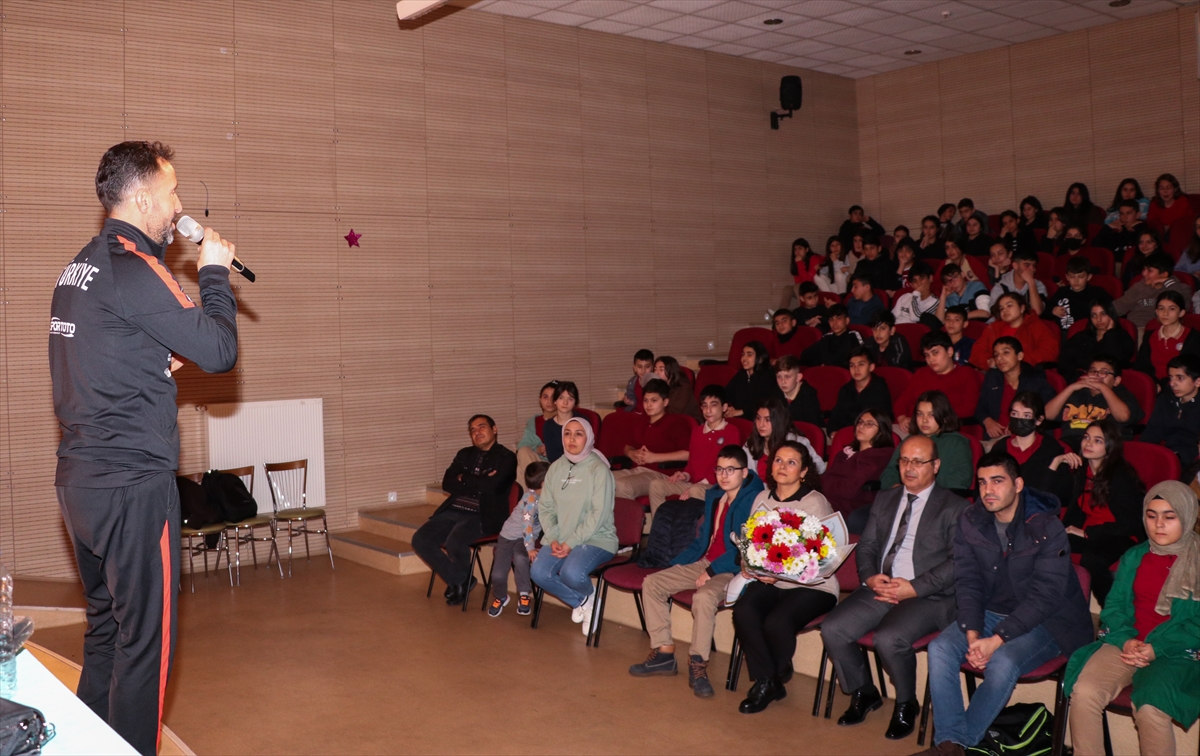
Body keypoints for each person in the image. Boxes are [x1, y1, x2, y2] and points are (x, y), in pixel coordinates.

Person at [49, 140, 239, 756]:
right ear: (142, 196)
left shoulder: (81, 265)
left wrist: (152, 358)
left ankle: (89, 745)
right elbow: (218, 351)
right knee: (145, 646)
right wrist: (212, 271)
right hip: (133, 485)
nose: (178, 203)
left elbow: (104, 353)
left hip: (83, 482)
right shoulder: (137, 266)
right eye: (172, 190)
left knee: (107, 629)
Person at [919, 452, 1092, 756]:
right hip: (991, 612)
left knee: (1002, 661)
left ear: (1018, 484)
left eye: (998, 481)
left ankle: (956, 746)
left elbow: (1045, 597)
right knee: (940, 648)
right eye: (983, 482)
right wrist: (973, 634)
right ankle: (951, 744)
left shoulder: (1046, 528)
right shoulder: (971, 521)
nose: (988, 490)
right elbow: (968, 582)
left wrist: (996, 640)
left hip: (1048, 621)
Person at [822, 435, 968, 740]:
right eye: (904, 460)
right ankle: (864, 691)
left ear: (936, 465)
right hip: (882, 585)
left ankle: (906, 703)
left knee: (889, 638)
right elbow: (868, 546)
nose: (910, 467)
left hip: (929, 595)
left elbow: (958, 564)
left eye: (919, 461)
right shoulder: (886, 499)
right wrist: (871, 576)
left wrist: (913, 587)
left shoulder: (955, 507)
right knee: (833, 628)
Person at [1065, 481, 1200, 756]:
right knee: (1084, 692)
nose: (1158, 524)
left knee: (1151, 708)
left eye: (1169, 516)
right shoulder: (1135, 556)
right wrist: (1126, 640)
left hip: (1175, 650)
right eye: (1151, 516)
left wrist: (1156, 649)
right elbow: (1114, 608)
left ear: (1187, 516)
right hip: (1127, 643)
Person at [629, 445, 764, 698]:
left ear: (745, 472)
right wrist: (677, 564)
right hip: (706, 562)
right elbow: (703, 541)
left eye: (731, 470)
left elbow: (743, 552)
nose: (723, 475)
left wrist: (711, 572)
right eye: (719, 469)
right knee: (653, 583)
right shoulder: (716, 496)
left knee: (702, 598)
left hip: (734, 570)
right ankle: (664, 653)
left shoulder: (754, 501)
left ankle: (698, 663)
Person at [732, 441, 839, 714]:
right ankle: (769, 679)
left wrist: (780, 573)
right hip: (771, 581)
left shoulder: (814, 501)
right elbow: (751, 544)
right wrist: (747, 565)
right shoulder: (762, 498)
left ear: (803, 471)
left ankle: (771, 677)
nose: (782, 466)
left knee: (777, 622)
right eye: (778, 460)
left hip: (814, 585)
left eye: (791, 462)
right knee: (744, 610)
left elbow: (823, 558)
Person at [413, 414, 518, 605]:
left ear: (494, 429)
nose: (477, 432)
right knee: (420, 540)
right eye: (473, 430)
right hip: (454, 509)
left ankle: (459, 583)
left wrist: (465, 478)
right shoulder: (464, 454)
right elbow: (447, 483)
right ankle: (461, 579)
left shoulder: (507, 457)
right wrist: (480, 481)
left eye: (481, 427)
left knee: (455, 542)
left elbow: (494, 487)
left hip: (483, 514)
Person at [532, 418, 617, 636]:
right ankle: (585, 600)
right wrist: (552, 537)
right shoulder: (556, 468)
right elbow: (546, 508)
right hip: (560, 536)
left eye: (578, 434)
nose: (572, 439)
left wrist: (570, 543)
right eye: (567, 433)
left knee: (571, 572)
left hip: (597, 538)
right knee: (539, 572)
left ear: (588, 437)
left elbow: (598, 515)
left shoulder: (599, 470)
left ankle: (585, 599)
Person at [1053, 418, 1146, 606]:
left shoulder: (1121, 476)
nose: (1088, 443)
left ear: (1110, 446)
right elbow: (1056, 500)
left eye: (1097, 440)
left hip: (1120, 535)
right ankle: (1062, 608)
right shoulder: (1082, 471)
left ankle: (1110, 613)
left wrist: (1086, 533)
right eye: (1086, 437)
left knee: (1093, 558)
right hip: (1091, 533)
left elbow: (1129, 523)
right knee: (1050, 546)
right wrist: (1056, 463)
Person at [647, 385, 743, 511]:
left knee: (695, 490)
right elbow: (692, 463)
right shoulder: (697, 431)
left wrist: (700, 483)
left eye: (713, 405)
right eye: (704, 405)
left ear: (724, 407)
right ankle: (661, 528)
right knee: (656, 485)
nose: (708, 410)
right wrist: (685, 475)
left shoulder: (731, 431)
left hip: (716, 485)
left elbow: (728, 467)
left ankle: (697, 530)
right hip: (694, 483)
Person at [611, 379, 692, 504]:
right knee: (602, 479)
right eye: (646, 400)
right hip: (637, 469)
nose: (649, 405)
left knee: (622, 486)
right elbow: (627, 446)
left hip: (660, 473)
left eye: (654, 400)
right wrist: (632, 454)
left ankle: (627, 521)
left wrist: (654, 457)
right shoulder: (642, 420)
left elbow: (688, 453)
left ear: (665, 402)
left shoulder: (676, 422)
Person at [487, 461, 548, 618]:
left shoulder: (547, 498)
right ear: (544, 483)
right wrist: (530, 547)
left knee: (521, 558)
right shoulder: (530, 500)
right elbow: (527, 525)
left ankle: (524, 594)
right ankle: (501, 596)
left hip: (524, 539)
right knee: (498, 575)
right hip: (508, 537)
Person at [881, 391, 973, 492]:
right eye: (920, 414)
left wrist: (924, 490)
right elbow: (889, 473)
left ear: (944, 417)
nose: (924, 420)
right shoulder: (910, 441)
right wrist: (899, 490)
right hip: (906, 497)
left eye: (931, 415)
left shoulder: (957, 443)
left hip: (939, 501)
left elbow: (961, 480)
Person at [824, 408, 897, 533]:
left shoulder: (880, 455)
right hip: (830, 502)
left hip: (853, 507)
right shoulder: (844, 453)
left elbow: (848, 489)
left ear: (881, 430)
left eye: (869, 424)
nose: (862, 426)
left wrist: (824, 482)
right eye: (860, 422)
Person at [1046, 356, 1142, 449]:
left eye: (1103, 372)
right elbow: (1047, 414)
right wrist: (1071, 388)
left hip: (1100, 446)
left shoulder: (1121, 395)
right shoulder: (1078, 392)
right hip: (1070, 443)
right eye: (1093, 371)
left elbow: (1123, 417)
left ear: (1116, 381)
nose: (1096, 376)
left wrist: (1103, 387)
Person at [895, 331, 981, 431]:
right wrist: (902, 418)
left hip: (949, 429)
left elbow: (970, 409)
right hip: (915, 427)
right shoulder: (921, 374)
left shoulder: (967, 374)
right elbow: (901, 402)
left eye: (935, 353)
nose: (931, 359)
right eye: (927, 355)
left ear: (949, 352)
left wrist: (933, 417)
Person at [974, 337, 1056, 441]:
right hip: (996, 438)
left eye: (1006, 353)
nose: (999, 358)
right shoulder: (992, 378)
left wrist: (1018, 424)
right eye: (996, 355)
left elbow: (1048, 412)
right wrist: (987, 420)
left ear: (1020, 356)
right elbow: (980, 408)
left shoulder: (1035, 380)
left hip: (1027, 437)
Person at [969, 292, 1059, 370]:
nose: (1005, 310)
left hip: (1027, 373)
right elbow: (977, 351)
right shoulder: (993, 328)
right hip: (996, 374)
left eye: (1009, 305)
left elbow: (1049, 352)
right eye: (1001, 308)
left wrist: (1016, 361)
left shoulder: (1036, 325)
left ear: (1022, 308)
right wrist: (989, 361)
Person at [743, 398, 826, 480]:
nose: (761, 425)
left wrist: (796, 476)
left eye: (767, 420)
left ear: (778, 421)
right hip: (758, 492)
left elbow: (820, 466)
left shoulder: (797, 442)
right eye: (758, 418)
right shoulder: (751, 443)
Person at [1141, 355, 1200, 467]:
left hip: (1192, 462)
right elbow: (1151, 433)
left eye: (1180, 378)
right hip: (1166, 455)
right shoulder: (1165, 400)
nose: (1172, 383)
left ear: (1197, 382)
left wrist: (1178, 457)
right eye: (1171, 377)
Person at [1058, 299, 1136, 380]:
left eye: (1103, 314)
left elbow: (1112, 363)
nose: (1098, 319)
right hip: (1081, 381)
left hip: (1110, 383)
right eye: (1094, 315)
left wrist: (1111, 333)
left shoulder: (1122, 336)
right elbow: (1064, 362)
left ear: (1111, 315)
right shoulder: (1082, 336)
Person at [1114, 252, 1194, 329]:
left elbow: (1182, 307)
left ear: (1164, 274)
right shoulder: (1138, 287)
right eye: (1144, 269)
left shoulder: (1181, 288)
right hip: (1136, 329)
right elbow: (1119, 307)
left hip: (1162, 330)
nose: (1144, 274)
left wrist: (1167, 283)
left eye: (1149, 270)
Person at [1135, 290, 1200, 384]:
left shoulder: (1193, 337)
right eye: (1161, 309)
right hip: (1153, 386)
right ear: (1156, 311)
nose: (1165, 313)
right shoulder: (1150, 336)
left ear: (1181, 313)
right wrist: (1152, 385)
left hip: (1180, 386)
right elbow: (1141, 367)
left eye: (1172, 309)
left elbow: (1192, 371)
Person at [829, 346, 892, 432]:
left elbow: (881, 420)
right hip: (847, 433)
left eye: (861, 364)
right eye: (852, 365)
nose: (856, 369)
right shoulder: (845, 389)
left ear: (871, 367)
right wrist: (833, 432)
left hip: (872, 435)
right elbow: (836, 416)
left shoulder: (880, 388)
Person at [1048, 256, 1107, 333]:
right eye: (1072, 277)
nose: (1076, 281)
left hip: (1087, 333)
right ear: (1067, 277)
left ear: (1089, 277)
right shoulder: (1062, 292)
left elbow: (1111, 311)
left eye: (1081, 277)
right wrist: (1053, 310)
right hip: (1063, 333)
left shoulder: (1097, 292)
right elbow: (1046, 310)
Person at [516, 381, 558, 489]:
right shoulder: (534, 421)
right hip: (536, 461)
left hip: (556, 464)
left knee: (520, 469)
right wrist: (537, 449)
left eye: (554, 397)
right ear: (540, 400)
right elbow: (522, 445)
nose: (549, 401)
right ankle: (537, 498)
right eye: (545, 397)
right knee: (523, 452)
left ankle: (530, 501)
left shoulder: (567, 420)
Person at [800, 304, 864, 368]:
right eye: (831, 319)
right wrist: (819, 364)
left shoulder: (853, 335)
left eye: (839, 318)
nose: (834, 322)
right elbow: (805, 356)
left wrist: (829, 363)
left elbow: (860, 358)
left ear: (847, 320)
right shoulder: (827, 338)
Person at [988, 246, 1046, 316]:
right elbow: (996, 313)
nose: (1032, 269)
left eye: (1034, 266)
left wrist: (1031, 283)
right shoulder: (1001, 286)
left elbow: (1037, 311)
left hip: (1029, 324)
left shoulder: (1037, 285)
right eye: (1027, 265)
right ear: (1015, 265)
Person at [724, 341, 776, 418]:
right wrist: (728, 408)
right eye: (743, 354)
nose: (744, 358)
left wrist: (742, 411)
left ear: (761, 358)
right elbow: (727, 393)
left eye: (749, 355)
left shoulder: (769, 375)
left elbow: (765, 403)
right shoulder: (741, 374)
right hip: (740, 418)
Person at [771, 355, 822, 426]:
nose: (783, 381)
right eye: (779, 377)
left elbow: (810, 426)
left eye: (787, 376)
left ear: (798, 377)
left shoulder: (808, 396)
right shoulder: (775, 393)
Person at [1094, 198, 1146, 264]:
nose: (1125, 217)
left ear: (1138, 215)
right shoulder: (1117, 230)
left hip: (1134, 264)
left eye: (1129, 213)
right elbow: (1096, 246)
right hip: (1115, 263)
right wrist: (1108, 227)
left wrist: (1134, 228)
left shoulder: (1144, 230)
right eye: (1122, 214)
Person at [543, 381, 583, 463]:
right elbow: (552, 457)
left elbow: (585, 451)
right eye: (561, 398)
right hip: (558, 467)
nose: (565, 402)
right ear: (555, 401)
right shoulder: (548, 426)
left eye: (570, 399)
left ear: (575, 402)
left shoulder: (582, 422)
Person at [654, 355, 702, 423]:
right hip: (670, 420)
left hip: (690, 421)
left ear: (671, 371)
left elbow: (675, 411)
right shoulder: (659, 386)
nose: (656, 373)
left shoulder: (684, 387)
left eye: (661, 369)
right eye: (655, 369)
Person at [1146, 172, 1194, 238]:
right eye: (1162, 188)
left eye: (1168, 188)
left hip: (1183, 233)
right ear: (1158, 190)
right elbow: (1151, 223)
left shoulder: (1182, 200)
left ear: (1175, 189)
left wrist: (1167, 227)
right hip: (1161, 235)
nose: (1165, 192)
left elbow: (1180, 222)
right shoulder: (1155, 203)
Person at [781, 237, 823, 310]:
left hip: (816, 288)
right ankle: (781, 312)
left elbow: (807, 281)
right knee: (787, 289)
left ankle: (802, 311)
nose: (797, 251)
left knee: (798, 286)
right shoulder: (797, 262)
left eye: (800, 248)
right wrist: (799, 263)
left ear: (806, 250)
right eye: (795, 249)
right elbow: (798, 281)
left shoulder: (814, 259)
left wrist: (800, 263)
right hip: (805, 288)